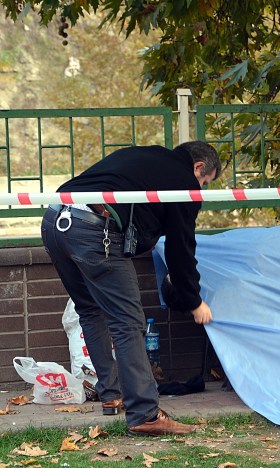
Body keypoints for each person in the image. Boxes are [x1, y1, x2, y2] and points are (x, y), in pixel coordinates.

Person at [41, 141, 222, 435]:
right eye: (204, 181)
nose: (200, 188)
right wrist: (193, 300)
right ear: (198, 167)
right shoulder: (183, 182)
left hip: (54, 220)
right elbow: (180, 249)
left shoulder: (145, 156)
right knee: (128, 322)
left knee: (89, 311)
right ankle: (145, 414)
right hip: (94, 230)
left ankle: (112, 396)